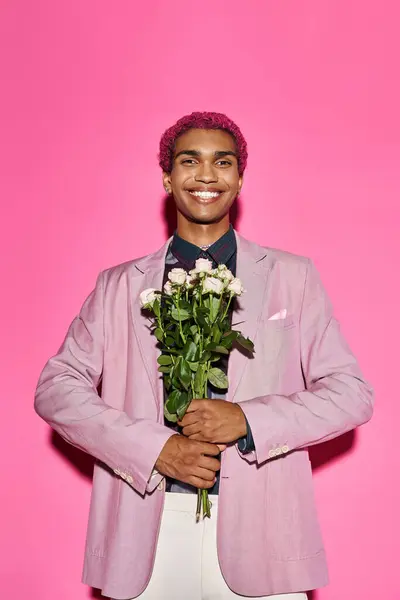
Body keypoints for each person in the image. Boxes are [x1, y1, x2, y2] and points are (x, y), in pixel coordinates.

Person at [34, 111, 374, 600]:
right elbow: (56, 388)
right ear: (167, 177)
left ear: (240, 177)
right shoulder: (118, 286)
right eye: (189, 161)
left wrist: (246, 419)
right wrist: (157, 450)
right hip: (145, 534)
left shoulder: (292, 277)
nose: (207, 175)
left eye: (223, 162)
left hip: (264, 537)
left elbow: (351, 394)